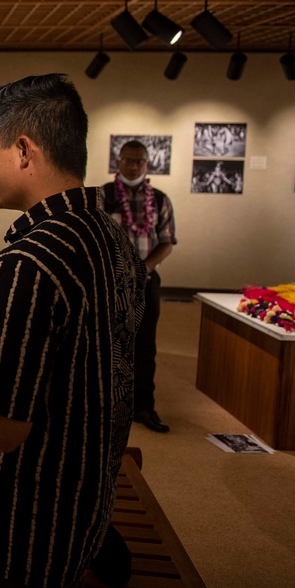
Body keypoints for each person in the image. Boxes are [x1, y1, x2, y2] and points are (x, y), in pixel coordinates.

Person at [0, 74, 146, 588]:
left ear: (25, 150)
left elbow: (2, 429)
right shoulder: (111, 235)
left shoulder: (26, 262)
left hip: (18, 539)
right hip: (82, 518)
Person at [103, 140, 177, 433]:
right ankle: (107, 407)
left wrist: (141, 269)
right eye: (128, 160)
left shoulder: (159, 199)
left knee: (145, 345)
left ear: (148, 165)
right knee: (109, 343)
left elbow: (167, 241)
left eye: (140, 161)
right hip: (110, 282)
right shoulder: (103, 196)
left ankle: (144, 406)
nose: (134, 166)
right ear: (118, 162)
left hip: (146, 281)